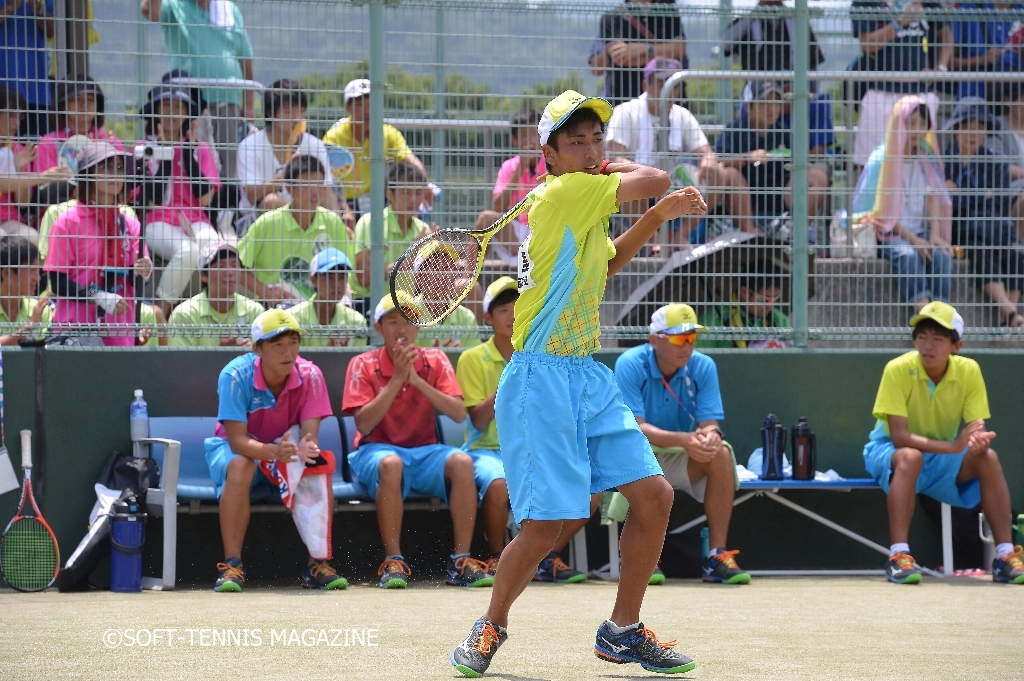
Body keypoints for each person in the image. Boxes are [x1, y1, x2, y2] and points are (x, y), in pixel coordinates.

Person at [450, 90, 707, 677]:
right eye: (577, 142)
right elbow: (659, 173)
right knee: (551, 525)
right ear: (550, 155)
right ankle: (491, 625)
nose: (593, 150)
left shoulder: (573, 199)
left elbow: (606, 264)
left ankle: (621, 630)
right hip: (539, 377)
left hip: (586, 373)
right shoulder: (569, 190)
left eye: (598, 139)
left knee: (654, 496)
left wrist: (654, 217)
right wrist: (626, 173)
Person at [342, 294, 498, 590]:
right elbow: (363, 423)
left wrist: (415, 380)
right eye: (393, 322)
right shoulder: (361, 363)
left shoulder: (436, 359)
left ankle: (461, 560)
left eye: (409, 322)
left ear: (418, 329)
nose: (401, 329)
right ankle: (394, 561)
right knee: (391, 463)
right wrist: (398, 379)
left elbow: (455, 414)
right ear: (378, 328)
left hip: (426, 453)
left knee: (463, 461)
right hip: (375, 450)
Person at [862, 301, 1023, 585]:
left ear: (956, 346)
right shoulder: (897, 369)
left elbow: (975, 429)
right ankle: (898, 557)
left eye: (938, 339)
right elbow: (899, 437)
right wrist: (954, 447)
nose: (928, 345)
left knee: (989, 458)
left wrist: (977, 443)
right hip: (889, 450)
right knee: (911, 456)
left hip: (940, 457)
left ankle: (1005, 557)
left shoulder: (970, 371)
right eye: (922, 337)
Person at [204, 308, 348, 592]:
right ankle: (232, 565)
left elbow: (309, 438)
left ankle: (318, 564)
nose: (288, 352)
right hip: (238, 451)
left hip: (286, 450)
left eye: (293, 342)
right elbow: (237, 442)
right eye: (277, 344)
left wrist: (306, 448)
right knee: (241, 466)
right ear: (257, 348)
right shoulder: (234, 375)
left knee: (318, 465)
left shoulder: (312, 375)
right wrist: (274, 452)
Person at [615, 304, 750, 584]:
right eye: (679, 338)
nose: (687, 346)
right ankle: (644, 557)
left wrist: (711, 435)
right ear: (654, 339)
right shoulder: (630, 363)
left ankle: (716, 556)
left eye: (692, 338)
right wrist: (685, 440)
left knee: (721, 453)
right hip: (637, 457)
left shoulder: (703, 366)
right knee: (643, 469)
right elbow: (636, 427)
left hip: (680, 455)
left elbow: (710, 422)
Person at [606, 57, 755, 237]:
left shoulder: (682, 115)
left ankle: (679, 237)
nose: (670, 91)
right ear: (646, 85)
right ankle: (653, 242)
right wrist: (648, 174)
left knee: (720, 173)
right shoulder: (626, 112)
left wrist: (707, 163)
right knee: (625, 179)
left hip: (674, 186)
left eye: (674, 85)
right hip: (642, 187)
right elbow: (614, 158)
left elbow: (706, 152)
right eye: (663, 83)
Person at [453, 276, 540, 579]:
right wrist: (513, 373)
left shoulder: (542, 358)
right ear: (487, 317)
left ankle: (548, 558)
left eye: (519, 304)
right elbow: (478, 420)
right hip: (483, 450)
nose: (514, 313)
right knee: (499, 483)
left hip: (532, 451)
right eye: (503, 309)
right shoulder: (471, 358)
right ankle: (496, 557)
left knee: (586, 483)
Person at [43, 140, 153, 346]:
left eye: (119, 168)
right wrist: (98, 296)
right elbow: (58, 282)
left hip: (121, 331)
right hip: (75, 332)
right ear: (88, 174)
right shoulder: (67, 222)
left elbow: (136, 282)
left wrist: (143, 271)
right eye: (105, 166)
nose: (114, 173)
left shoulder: (130, 224)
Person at [853, 95, 952, 310]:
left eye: (922, 124)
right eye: (911, 122)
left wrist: (935, 235)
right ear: (898, 123)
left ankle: (941, 312)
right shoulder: (881, 159)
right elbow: (880, 214)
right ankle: (924, 312)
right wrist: (914, 240)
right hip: (889, 233)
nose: (916, 130)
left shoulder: (926, 159)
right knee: (906, 254)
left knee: (942, 253)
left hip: (920, 232)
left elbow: (933, 197)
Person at [140, 0, 255, 178]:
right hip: (190, 106)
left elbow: (245, 57)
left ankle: (225, 205)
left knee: (230, 166)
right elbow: (149, 11)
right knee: (197, 164)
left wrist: (248, 105)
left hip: (229, 102)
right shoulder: (173, 5)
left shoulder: (229, 9)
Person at [138, 84, 222, 316]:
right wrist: (166, 153)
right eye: (166, 106)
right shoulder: (143, 149)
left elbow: (205, 199)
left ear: (187, 113)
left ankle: (209, 310)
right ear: (156, 111)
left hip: (195, 219)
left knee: (213, 246)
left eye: (178, 107)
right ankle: (160, 314)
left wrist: (187, 152)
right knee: (188, 252)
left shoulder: (200, 149)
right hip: (157, 221)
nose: (173, 112)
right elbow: (150, 201)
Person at [942, 100, 1024, 328]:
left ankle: (1008, 316)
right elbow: (947, 205)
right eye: (966, 126)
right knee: (980, 250)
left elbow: (1001, 201)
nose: (972, 133)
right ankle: (1009, 312)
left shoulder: (997, 160)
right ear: (956, 129)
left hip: (995, 229)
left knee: (1016, 253)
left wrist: (963, 195)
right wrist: (982, 195)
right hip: (963, 233)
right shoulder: (943, 162)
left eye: (979, 127)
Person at [238, 154, 355, 305]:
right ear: (289, 188)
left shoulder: (333, 223)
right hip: (277, 313)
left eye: (319, 184)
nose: (315, 192)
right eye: (307, 184)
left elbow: (349, 271)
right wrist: (265, 292)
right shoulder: (266, 224)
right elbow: (236, 265)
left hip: (323, 310)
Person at [236, 78, 347, 235]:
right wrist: (285, 174)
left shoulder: (314, 145)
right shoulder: (249, 146)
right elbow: (252, 195)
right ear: (270, 113)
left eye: (300, 111)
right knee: (270, 202)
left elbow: (326, 192)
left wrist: (337, 225)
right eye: (288, 112)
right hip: (259, 225)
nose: (296, 118)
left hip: (309, 221)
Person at [714, 80, 829, 226]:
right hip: (743, 197)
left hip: (779, 195)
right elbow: (717, 160)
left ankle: (796, 235)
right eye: (764, 102)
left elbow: (798, 166)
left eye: (776, 102)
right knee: (731, 174)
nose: (771, 108)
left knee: (817, 176)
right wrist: (747, 157)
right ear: (749, 107)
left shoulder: (784, 132)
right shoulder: (734, 130)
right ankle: (750, 233)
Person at [850, 0, 949, 168]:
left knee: (924, 166)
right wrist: (898, 23)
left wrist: (940, 68)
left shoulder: (928, 3)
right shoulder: (865, 3)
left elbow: (947, 35)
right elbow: (867, 44)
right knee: (871, 164)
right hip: (880, 93)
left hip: (920, 93)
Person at [322, 79, 425, 217]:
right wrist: (341, 208)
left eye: (372, 104)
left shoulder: (388, 133)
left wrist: (424, 185)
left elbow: (411, 162)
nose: (367, 110)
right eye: (359, 105)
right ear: (347, 107)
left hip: (381, 202)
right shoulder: (333, 137)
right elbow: (325, 180)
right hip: (346, 204)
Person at [351, 161, 431, 314]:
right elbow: (364, 278)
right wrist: (408, 261)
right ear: (390, 194)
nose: (413, 200)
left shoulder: (424, 230)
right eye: (406, 193)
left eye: (418, 193)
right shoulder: (370, 223)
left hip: (409, 307)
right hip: (370, 304)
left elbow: (429, 285)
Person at [475, 108, 545, 264]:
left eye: (536, 134)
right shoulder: (509, 166)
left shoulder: (552, 164)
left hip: (545, 233)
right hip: (515, 235)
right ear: (515, 139)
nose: (532, 141)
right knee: (486, 219)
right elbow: (497, 207)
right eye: (526, 136)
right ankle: (470, 274)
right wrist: (520, 168)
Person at [588, 0, 688, 106]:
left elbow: (679, 49)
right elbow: (621, 58)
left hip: (667, 102)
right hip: (624, 100)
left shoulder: (667, 11)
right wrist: (662, 54)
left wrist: (642, 49)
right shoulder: (613, 16)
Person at [0, 86, 68, 243]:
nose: (17, 123)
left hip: (7, 220)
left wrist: (20, 169)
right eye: (11, 115)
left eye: (20, 116)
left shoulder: (17, 148)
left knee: (32, 237)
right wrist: (43, 176)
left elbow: (23, 203)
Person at [167, 241, 264, 346]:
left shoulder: (255, 311)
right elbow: (182, 362)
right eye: (221, 266)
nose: (230, 272)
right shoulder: (184, 315)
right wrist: (220, 354)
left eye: (234, 265)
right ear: (204, 275)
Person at [31, 79, 122, 174]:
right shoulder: (49, 142)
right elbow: (44, 185)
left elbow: (125, 185)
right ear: (62, 105)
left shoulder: (111, 141)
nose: (84, 104)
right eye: (76, 99)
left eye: (90, 99)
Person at [285, 247, 367, 347]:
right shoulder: (292, 318)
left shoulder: (356, 322)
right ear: (313, 280)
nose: (337, 284)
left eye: (342, 277)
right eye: (329, 277)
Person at [698, 261, 791, 349]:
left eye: (775, 298)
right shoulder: (713, 319)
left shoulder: (780, 320)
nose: (770, 305)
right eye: (764, 299)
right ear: (744, 292)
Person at [722, 0, 825, 78]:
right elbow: (726, 44)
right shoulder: (745, 23)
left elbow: (812, 60)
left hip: (788, 84)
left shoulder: (797, 22)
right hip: (756, 84)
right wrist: (751, 18)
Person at [950, 2, 1024, 102]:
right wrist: (982, 60)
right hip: (974, 95)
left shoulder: (1021, 11)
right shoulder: (967, 11)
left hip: (1016, 98)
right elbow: (949, 63)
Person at [0, 0, 53, 137]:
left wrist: (37, 9)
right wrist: (10, 8)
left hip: (35, 87)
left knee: (35, 146)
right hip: (3, 84)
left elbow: (53, 30)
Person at [0, 236, 51, 344]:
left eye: (37, 271)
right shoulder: (36, 314)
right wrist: (28, 327)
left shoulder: (40, 310)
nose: (37, 278)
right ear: (7, 273)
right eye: (31, 270)